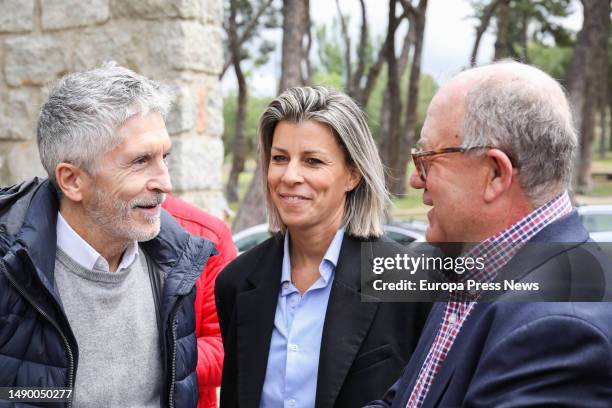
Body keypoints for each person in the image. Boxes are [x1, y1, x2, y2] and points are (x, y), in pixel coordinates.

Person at [366, 61, 612, 407]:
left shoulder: (558, 328)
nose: (415, 180)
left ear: (495, 173)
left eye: (427, 160)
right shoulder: (477, 270)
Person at [0, 63, 216, 407]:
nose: (166, 183)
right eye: (140, 161)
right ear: (72, 180)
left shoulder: (177, 266)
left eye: (165, 157)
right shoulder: (11, 270)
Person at [215, 86, 431, 408]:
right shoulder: (236, 282)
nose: (290, 176)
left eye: (313, 161)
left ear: (352, 175)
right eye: (279, 158)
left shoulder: (407, 281)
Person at [162, 194, 237, 408]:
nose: (162, 181)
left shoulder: (207, 235)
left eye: (164, 158)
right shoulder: (62, 233)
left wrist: (156, 361)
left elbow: (228, 348)